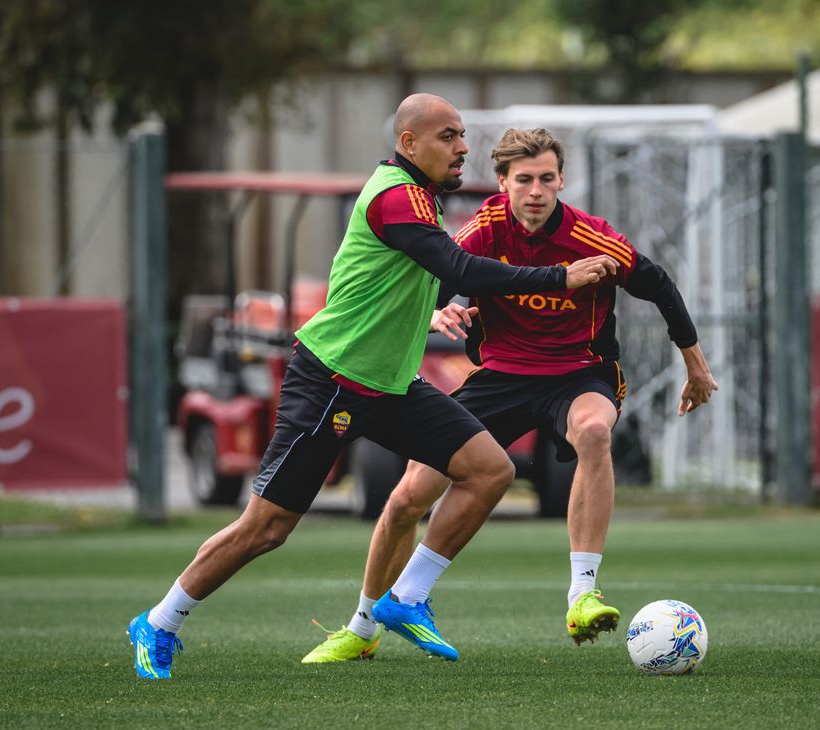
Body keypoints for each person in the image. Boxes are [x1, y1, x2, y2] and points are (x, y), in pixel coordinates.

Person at [127, 97, 618, 679]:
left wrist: (428, 313)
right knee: (267, 529)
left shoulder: (421, 198)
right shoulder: (394, 195)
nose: (462, 147)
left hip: (390, 386)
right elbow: (457, 270)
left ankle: (405, 598)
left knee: (491, 470)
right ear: (409, 145)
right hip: (333, 380)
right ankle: (159, 621)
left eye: (461, 135)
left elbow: (423, 276)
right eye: (448, 136)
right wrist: (559, 276)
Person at [302, 127, 717, 664]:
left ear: (561, 181)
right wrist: (438, 310)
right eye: (524, 180)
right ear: (503, 183)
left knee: (594, 431)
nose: (537, 191)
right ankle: (363, 627)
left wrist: (696, 365)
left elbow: (657, 284)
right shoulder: (484, 229)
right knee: (407, 498)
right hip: (500, 376)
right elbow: (438, 279)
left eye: (547, 179)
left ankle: (583, 595)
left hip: (579, 374)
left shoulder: (593, 238)